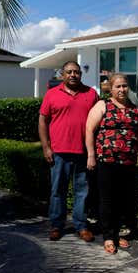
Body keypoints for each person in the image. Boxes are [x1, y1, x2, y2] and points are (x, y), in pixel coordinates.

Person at [85, 73, 138, 254]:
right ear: (111, 89)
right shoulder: (102, 105)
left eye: (124, 86)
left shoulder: (136, 109)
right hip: (106, 161)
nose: (122, 89)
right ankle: (108, 236)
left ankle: (118, 233)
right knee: (107, 199)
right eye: (118, 86)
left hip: (128, 162)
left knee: (123, 200)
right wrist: (91, 155)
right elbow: (89, 130)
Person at [39, 61, 99, 242]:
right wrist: (46, 147)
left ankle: (81, 226)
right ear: (62, 75)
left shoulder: (91, 94)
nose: (73, 75)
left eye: (77, 72)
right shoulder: (51, 94)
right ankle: (57, 225)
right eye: (69, 72)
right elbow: (43, 122)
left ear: (81, 74)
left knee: (82, 191)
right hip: (59, 152)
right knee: (58, 190)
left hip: (83, 152)